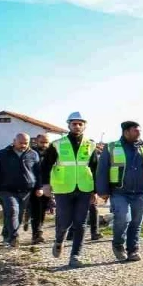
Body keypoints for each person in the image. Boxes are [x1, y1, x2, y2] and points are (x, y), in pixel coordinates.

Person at [96, 120, 143, 263]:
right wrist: (102, 190)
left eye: (140, 131)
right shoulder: (112, 147)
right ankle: (118, 244)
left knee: (136, 221)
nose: (139, 134)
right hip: (119, 192)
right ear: (126, 132)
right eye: (135, 131)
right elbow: (102, 169)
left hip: (141, 192)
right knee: (122, 218)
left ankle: (133, 250)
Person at [41, 112, 98, 268]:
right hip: (63, 188)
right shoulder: (57, 144)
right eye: (74, 123)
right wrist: (45, 185)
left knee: (80, 223)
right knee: (64, 222)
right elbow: (45, 165)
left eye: (80, 123)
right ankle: (59, 240)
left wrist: (96, 191)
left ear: (84, 126)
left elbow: (95, 168)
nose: (77, 126)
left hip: (85, 188)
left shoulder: (90, 145)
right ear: (69, 125)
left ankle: (75, 256)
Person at [0, 132, 42, 249]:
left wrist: (39, 187)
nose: (23, 145)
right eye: (21, 143)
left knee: (18, 215)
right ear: (14, 141)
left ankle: (7, 235)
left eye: (26, 143)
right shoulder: (2, 154)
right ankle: (14, 237)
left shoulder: (33, 154)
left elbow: (38, 173)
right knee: (12, 211)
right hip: (6, 189)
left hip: (26, 191)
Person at [26, 133, 54, 244]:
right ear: (36, 141)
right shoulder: (30, 153)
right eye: (42, 142)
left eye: (47, 142)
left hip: (47, 185)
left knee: (42, 210)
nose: (44, 145)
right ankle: (36, 234)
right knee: (36, 209)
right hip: (34, 186)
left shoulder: (52, 153)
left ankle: (39, 230)